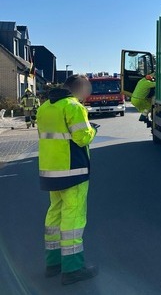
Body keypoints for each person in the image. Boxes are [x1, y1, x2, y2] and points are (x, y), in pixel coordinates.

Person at [37, 74, 98, 285]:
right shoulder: (74, 107)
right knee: (73, 218)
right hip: (73, 169)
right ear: (78, 88)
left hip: (50, 170)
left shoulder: (44, 107)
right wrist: (92, 130)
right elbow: (82, 137)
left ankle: (53, 264)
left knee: (54, 215)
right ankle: (72, 268)